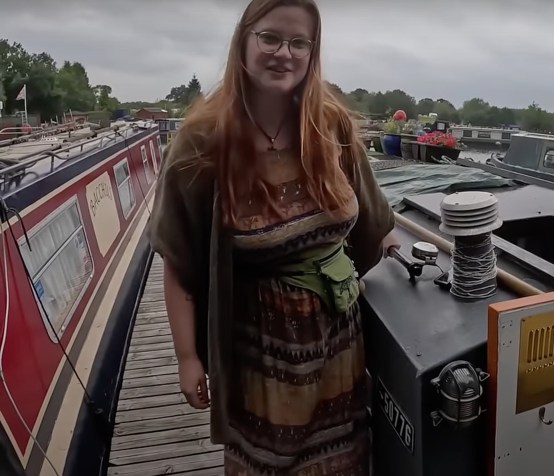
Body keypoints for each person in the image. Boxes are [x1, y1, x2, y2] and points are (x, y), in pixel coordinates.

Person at [148, 0, 399, 474]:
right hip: (257, 363)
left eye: (299, 42)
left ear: (312, 51)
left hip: (340, 355)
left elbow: (375, 227)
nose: (284, 52)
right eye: (270, 37)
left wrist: (411, 263)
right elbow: (178, 260)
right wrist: (187, 357)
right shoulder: (202, 141)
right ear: (244, 40)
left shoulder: (332, 127)